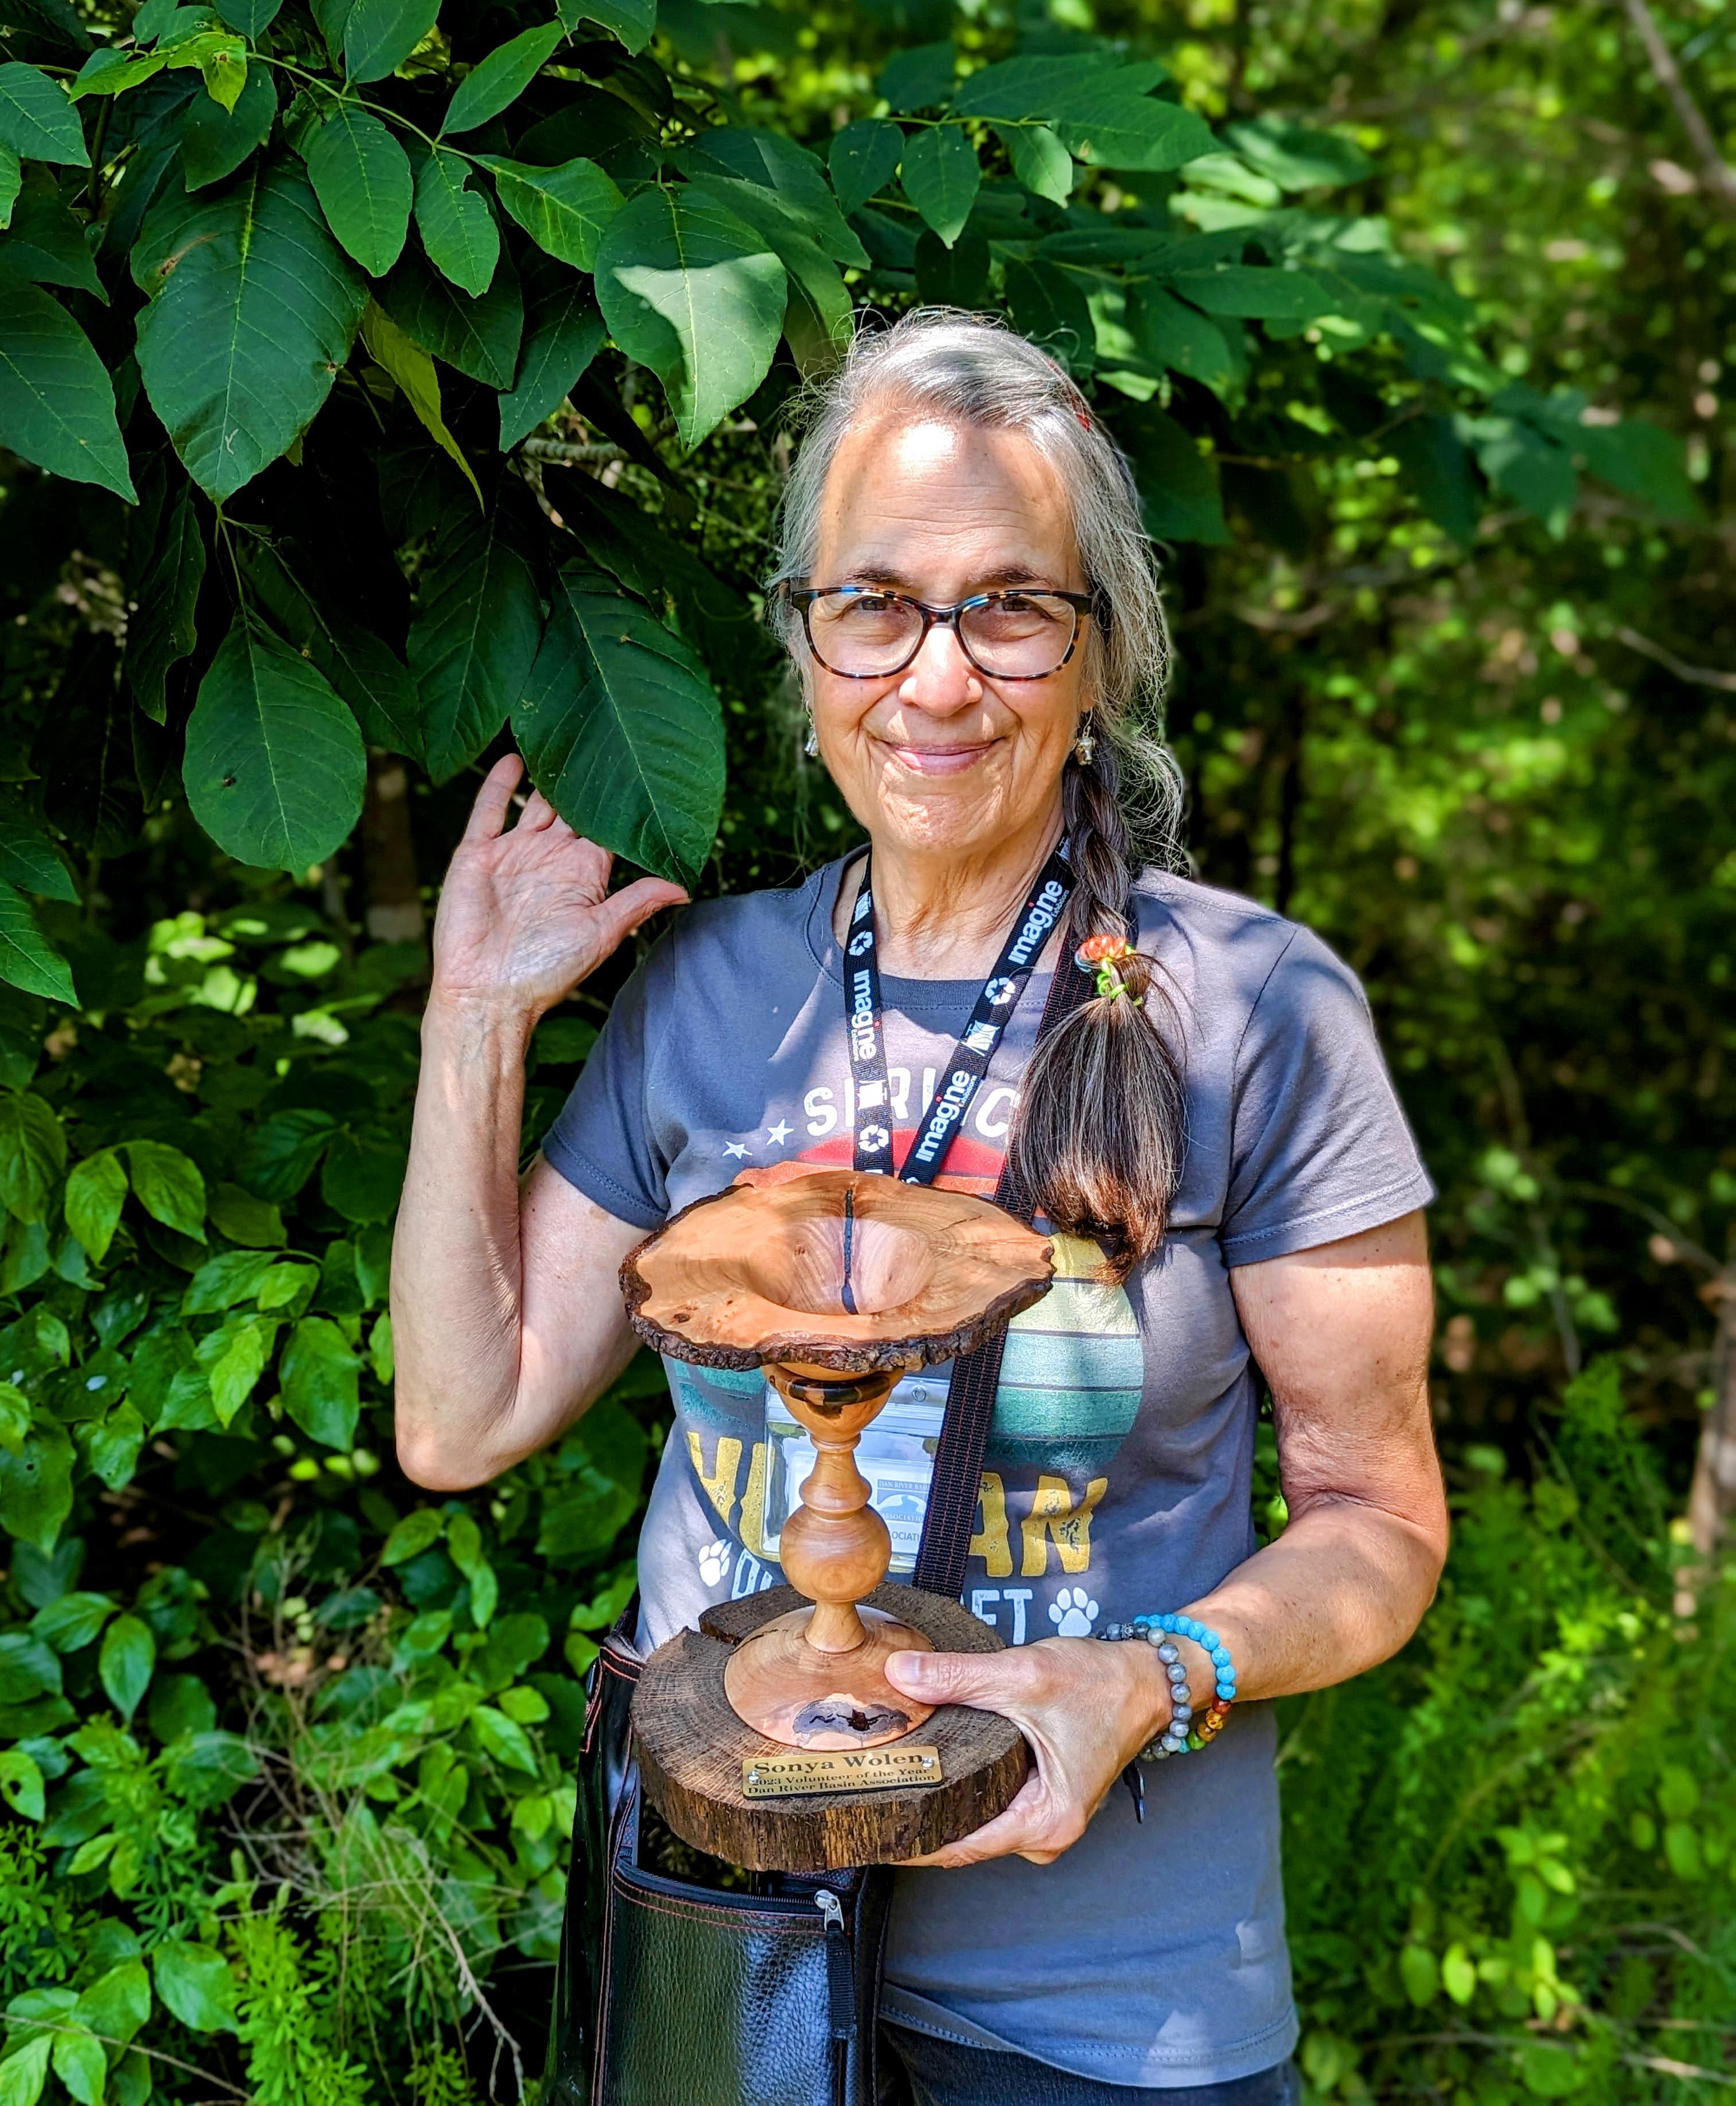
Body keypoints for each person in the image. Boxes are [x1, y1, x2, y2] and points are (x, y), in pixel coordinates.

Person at [390, 311, 1448, 2105]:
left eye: (1011, 608)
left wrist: (1162, 1674)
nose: (938, 681)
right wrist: (475, 1014)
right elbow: (460, 1415)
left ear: (1102, 650)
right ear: (805, 644)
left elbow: (1381, 1525)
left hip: (1109, 2010)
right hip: (719, 1949)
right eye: (875, 605)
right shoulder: (712, 988)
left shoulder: (1258, 1011)